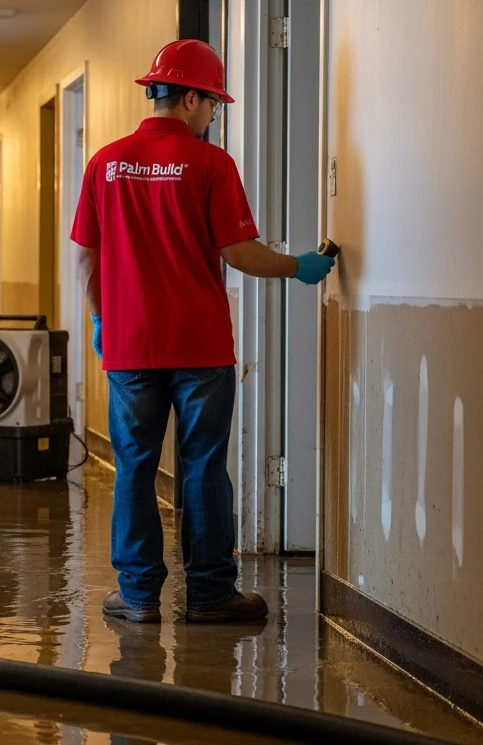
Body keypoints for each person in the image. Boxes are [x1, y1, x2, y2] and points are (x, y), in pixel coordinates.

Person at [71, 39, 335, 624]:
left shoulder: (105, 163)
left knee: (135, 464)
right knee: (202, 465)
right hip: (201, 346)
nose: (214, 116)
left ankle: (138, 596)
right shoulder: (211, 164)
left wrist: (100, 318)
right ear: (190, 97)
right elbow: (237, 250)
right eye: (213, 104)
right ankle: (211, 594)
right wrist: (297, 266)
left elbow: (86, 259)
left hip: (130, 344)